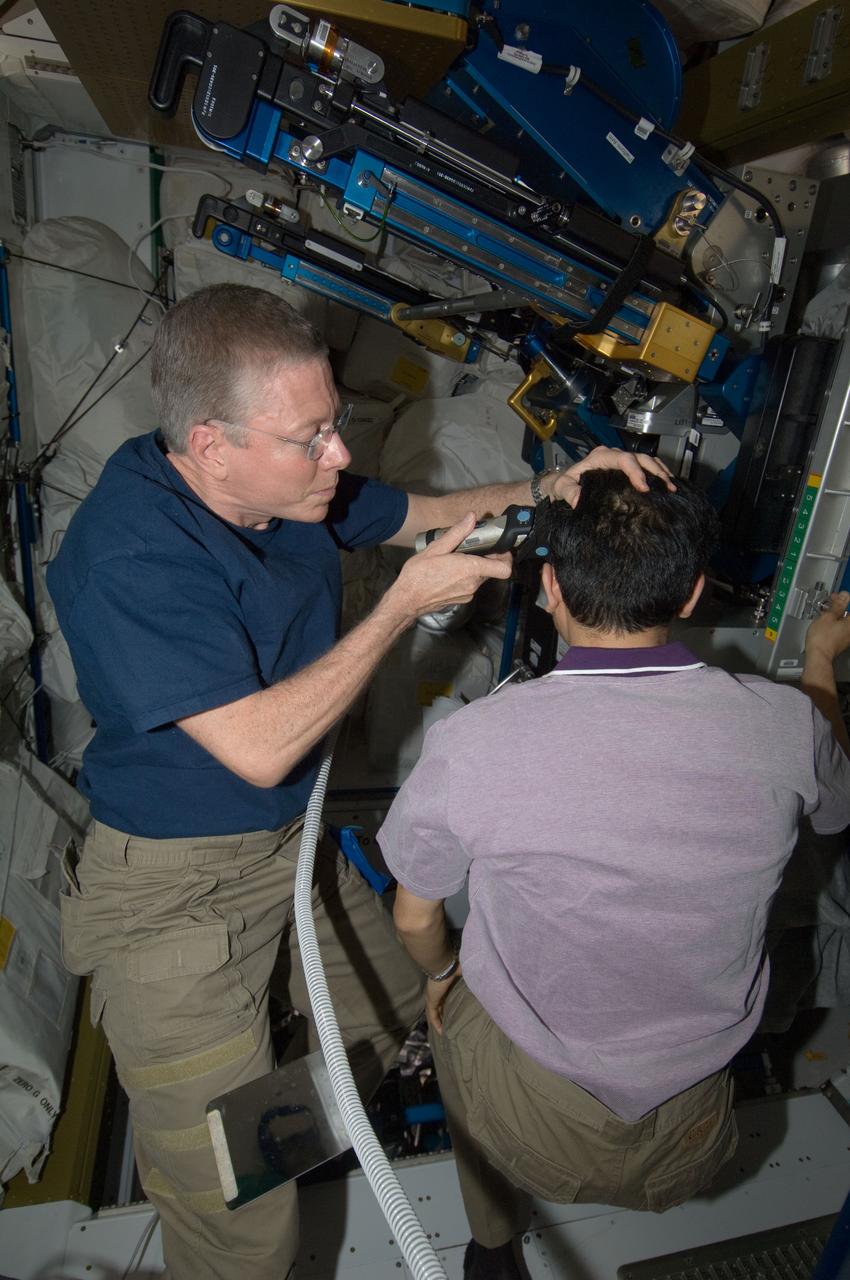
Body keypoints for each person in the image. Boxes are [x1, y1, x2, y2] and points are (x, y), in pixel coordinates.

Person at [45, 283, 668, 1280]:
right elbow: (257, 747)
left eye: (335, 424)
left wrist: (560, 484)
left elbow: (433, 509)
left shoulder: (291, 489)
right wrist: (400, 606)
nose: (338, 456)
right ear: (210, 444)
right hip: (172, 899)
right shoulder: (128, 553)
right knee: (248, 1231)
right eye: (312, 436)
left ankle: (241, 1136)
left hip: (284, 854)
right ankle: (222, 1191)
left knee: (381, 1023)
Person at [378, 470, 850, 1280]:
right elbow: (836, 806)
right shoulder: (786, 725)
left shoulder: (473, 743)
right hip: (694, 1140)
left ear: (550, 586)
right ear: (695, 593)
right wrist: (818, 662)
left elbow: (416, 920)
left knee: (452, 1015)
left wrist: (446, 973)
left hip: (529, 1132)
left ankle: (492, 1248)